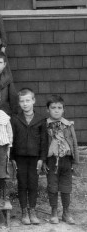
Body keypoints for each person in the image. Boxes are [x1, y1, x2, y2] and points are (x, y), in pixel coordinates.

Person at [10, 88, 48, 225]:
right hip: (19, 157)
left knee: (33, 184)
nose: (25, 104)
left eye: (28, 100)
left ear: (33, 101)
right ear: (19, 103)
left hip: (34, 158)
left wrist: (42, 158)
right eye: (22, 101)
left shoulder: (41, 119)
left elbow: (44, 141)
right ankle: (24, 212)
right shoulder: (15, 119)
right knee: (22, 184)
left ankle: (32, 210)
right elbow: (11, 139)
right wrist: (12, 157)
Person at [43, 95, 79, 225]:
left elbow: (74, 143)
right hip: (52, 161)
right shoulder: (45, 125)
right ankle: (53, 212)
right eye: (53, 108)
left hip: (66, 161)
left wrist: (75, 162)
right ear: (48, 109)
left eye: (59, 108)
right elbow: (42, 145)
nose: (56, 110)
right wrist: (43, 161)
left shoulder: (68, 125)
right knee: (52, 186)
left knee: (66, 187)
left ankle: (66, 212)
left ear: (63, 109)